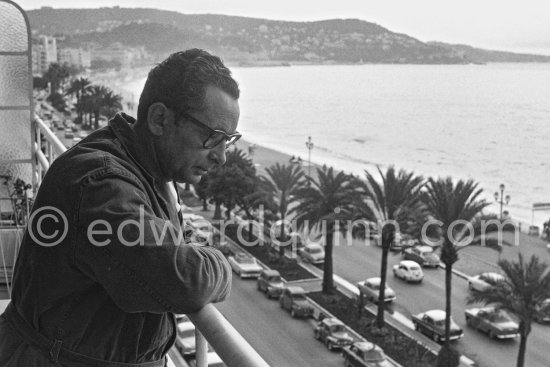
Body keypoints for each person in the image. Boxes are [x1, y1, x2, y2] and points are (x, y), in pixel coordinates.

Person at [0, 49, 240, 366]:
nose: (221, 156)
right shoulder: (101, 184)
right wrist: (222, 263)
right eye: (213, 137)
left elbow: (175, 242)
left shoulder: (149, 170)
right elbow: (185, 281)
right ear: (159, 119)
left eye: (230, 139)